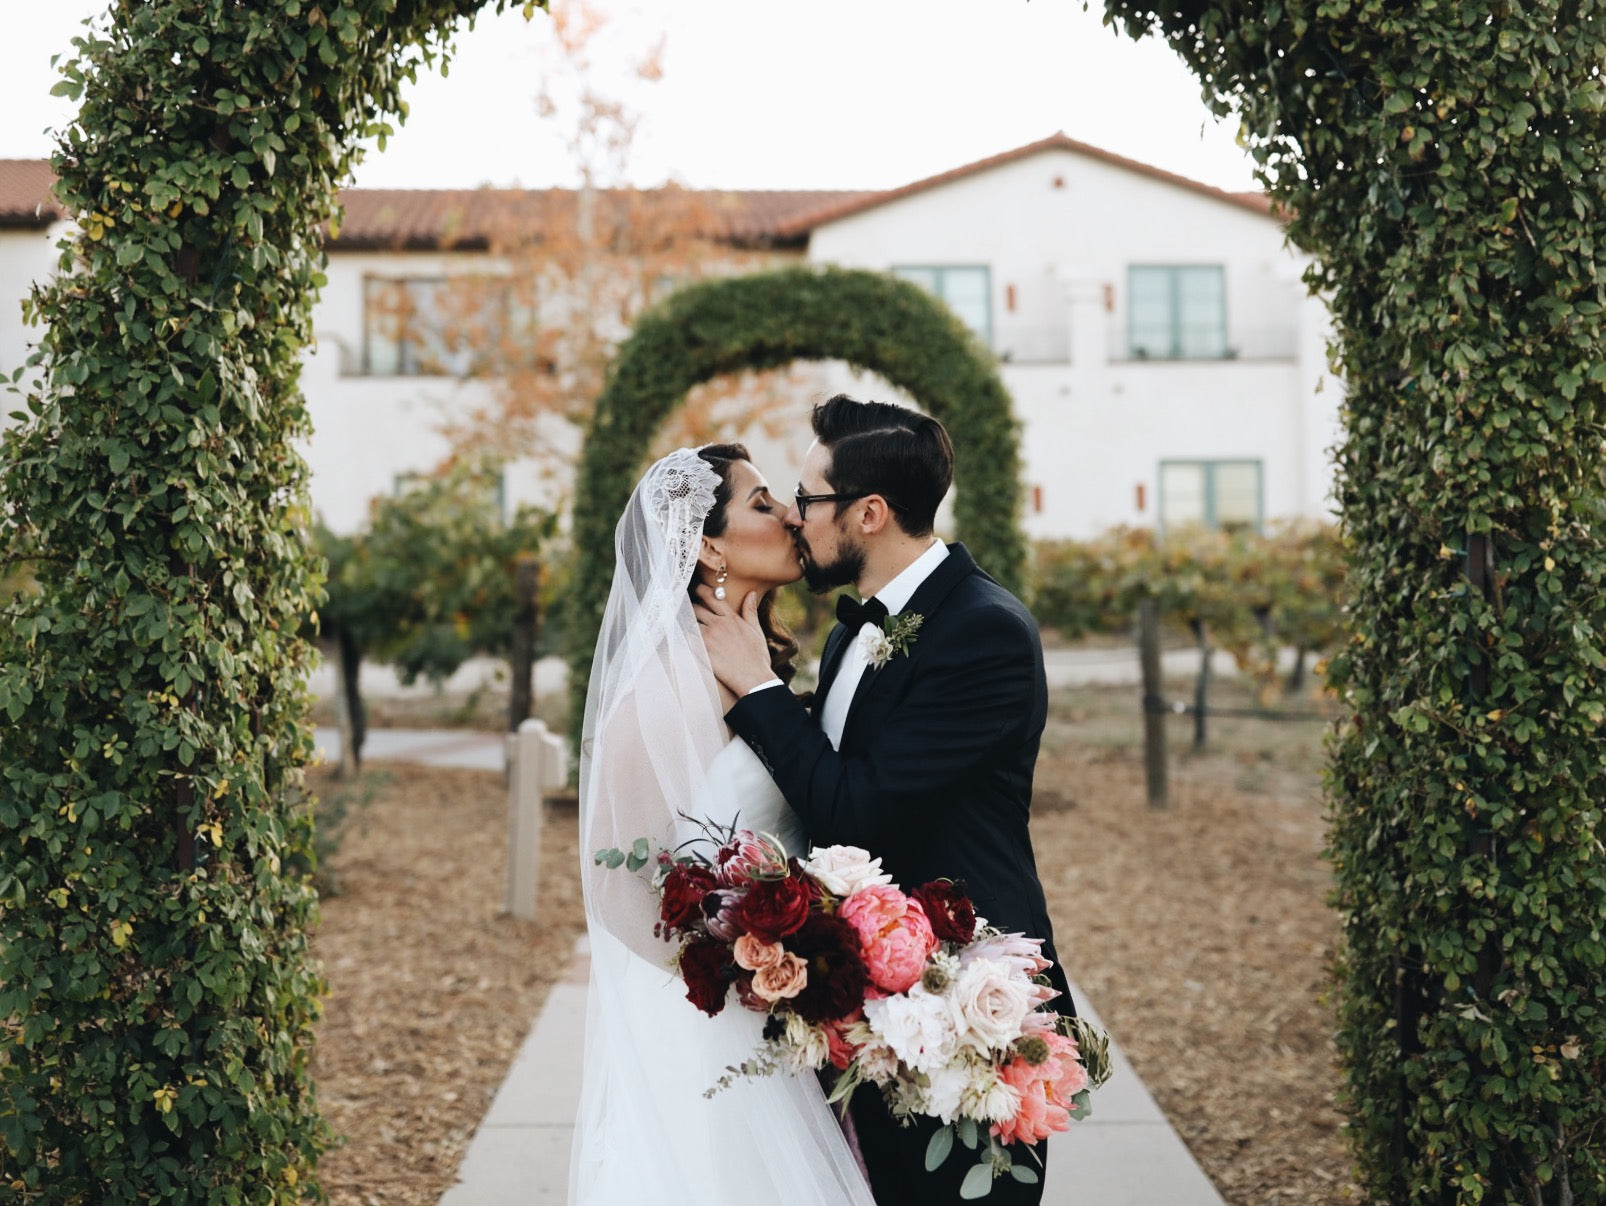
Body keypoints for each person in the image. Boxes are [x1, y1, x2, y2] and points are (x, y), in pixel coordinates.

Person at [695, 395, 1072, 1205]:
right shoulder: (847, 632)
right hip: (862, 1011)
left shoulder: (984, 630)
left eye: (809, 499)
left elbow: (854, 809)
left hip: (968, 1016)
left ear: (867, 513)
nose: (797, 520)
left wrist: (758, 686)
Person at [570, 444, 875, 1206]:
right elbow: (615, 886)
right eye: (763, 503)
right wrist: (735, 973)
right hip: (709, 1027)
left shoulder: (756, 667)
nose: (790, 517)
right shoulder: (662, 688)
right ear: (708, 544)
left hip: (781, 1011)